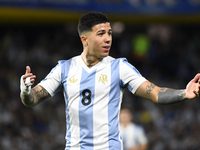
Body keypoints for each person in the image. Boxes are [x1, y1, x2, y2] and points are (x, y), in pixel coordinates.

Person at [20, 12, 200, 150]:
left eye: (110, 33)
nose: (108, 39)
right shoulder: (64, 68)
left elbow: (156, 93)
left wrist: (183, 93)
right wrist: (26, 91)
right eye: (101, 34)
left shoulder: (120, 67)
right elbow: (32, 99)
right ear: (85, 39)